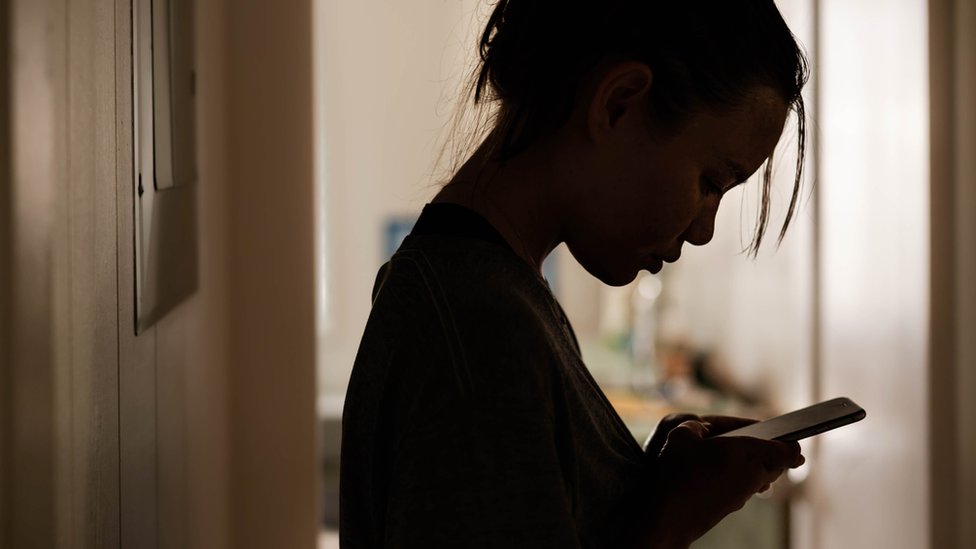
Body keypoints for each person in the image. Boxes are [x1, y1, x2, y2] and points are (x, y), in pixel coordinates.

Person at [341, 1, 809, 547]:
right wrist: (673, 517)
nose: (703, 230)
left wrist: (651, 485)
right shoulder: (482, 329)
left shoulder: (489, 295)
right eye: (710, 182)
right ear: (617, 105)